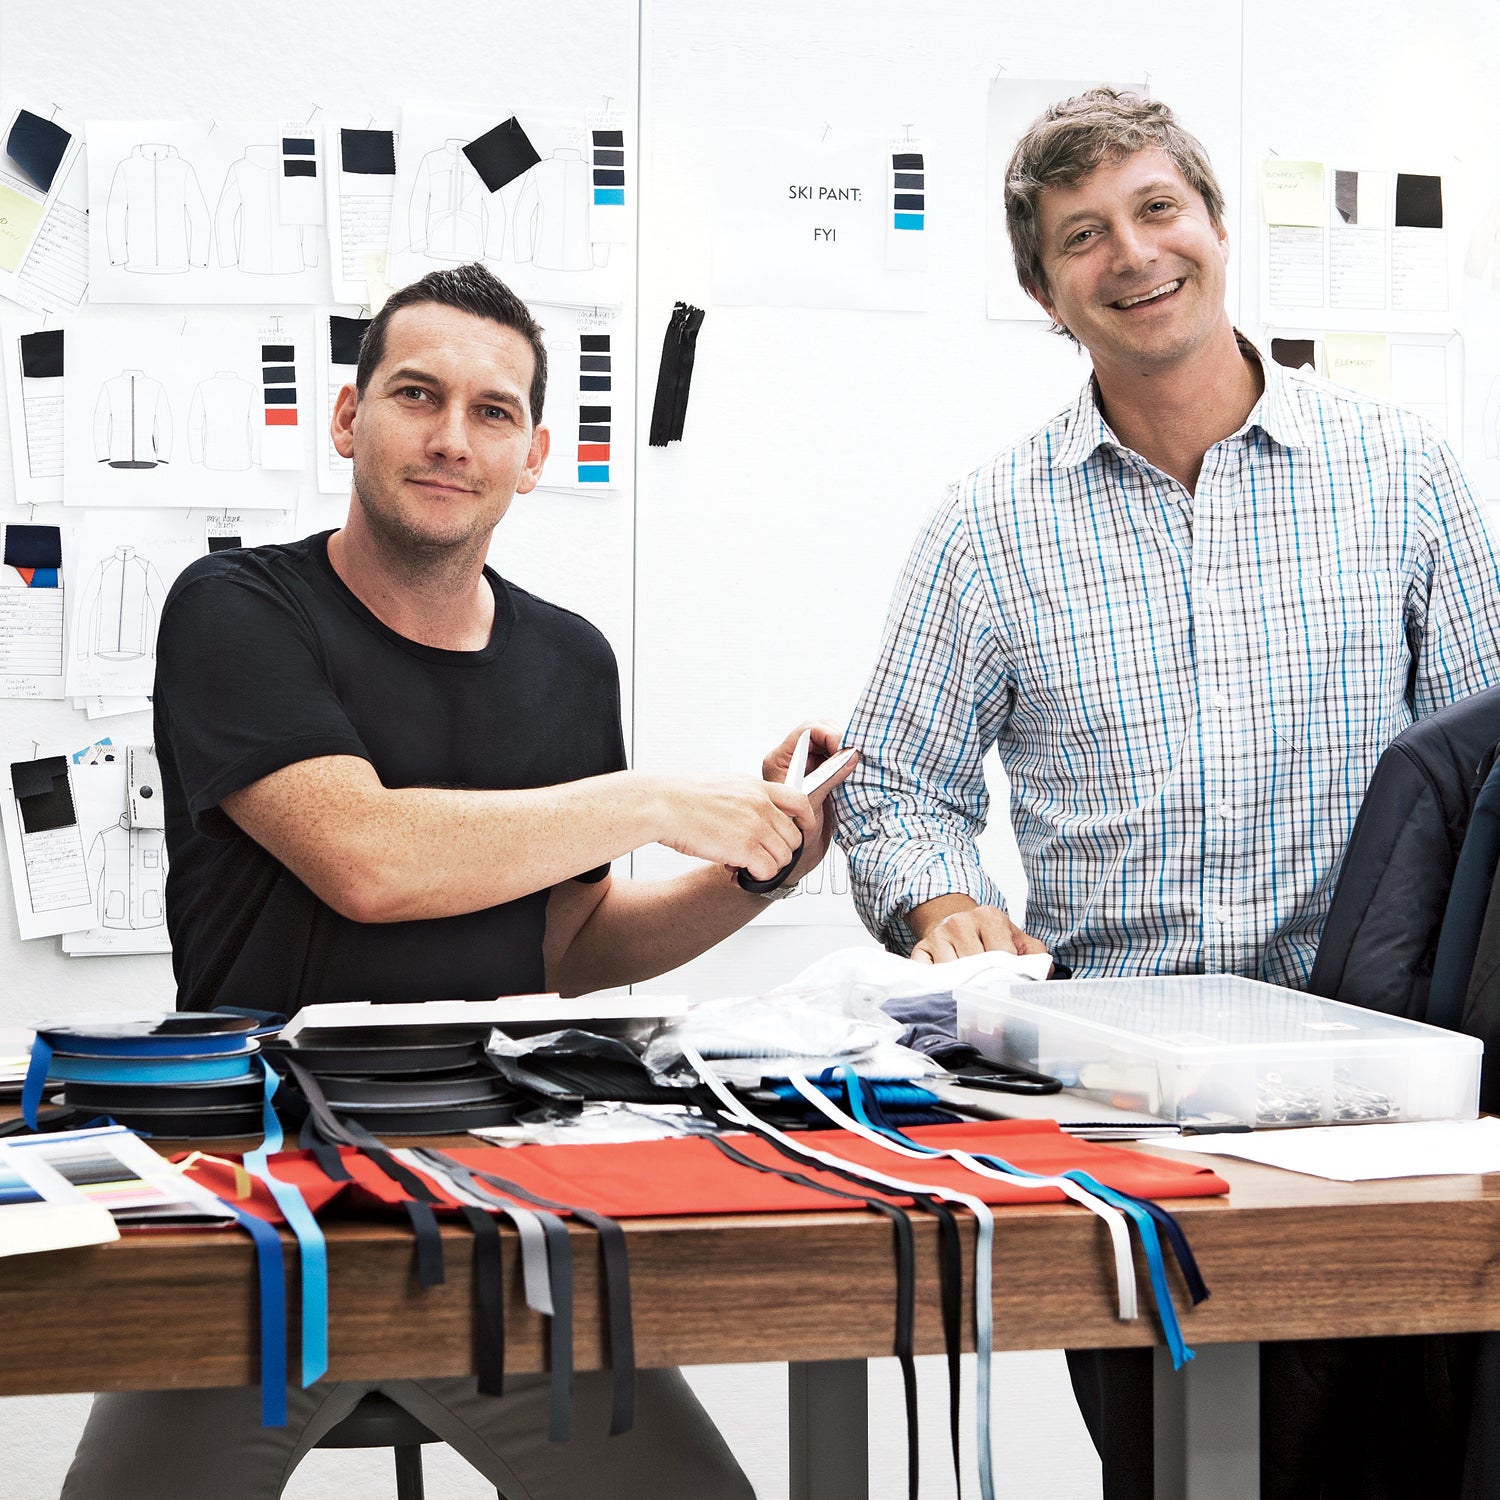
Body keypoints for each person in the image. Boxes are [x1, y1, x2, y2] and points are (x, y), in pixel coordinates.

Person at [61, 262, 854, 1500]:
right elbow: (366, 861)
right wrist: (647, 800)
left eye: (491, 412)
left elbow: (572, 943)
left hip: (494, 1188)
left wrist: (760, 868)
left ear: (534, 453)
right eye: (416, 395)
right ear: (347, 418)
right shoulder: (233, 609)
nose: (450, 438)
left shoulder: (567, 659)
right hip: (266, 1189)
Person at [834, 88, 1500, 1497]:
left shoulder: (1405, 479)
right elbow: (894, 785)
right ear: (1042, 288)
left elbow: (1488, 777)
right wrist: (948, 902)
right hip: (1124, 1116)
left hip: (1386, 1100)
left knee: (1414, 1467)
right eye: (1085, 236)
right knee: (1179, 1474)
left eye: (1156, 211)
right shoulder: (988, 529)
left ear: (1211, 225)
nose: (1133, 253)